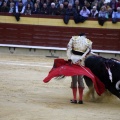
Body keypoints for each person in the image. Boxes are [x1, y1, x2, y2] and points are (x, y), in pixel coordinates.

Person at [67, 33, 92, 104]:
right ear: (85, 36)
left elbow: (69, 48)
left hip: (73, 59)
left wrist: (69, 58)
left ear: (79, 35)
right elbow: (87, 52)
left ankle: (75, 99)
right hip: (82, 61)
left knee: (74, 79)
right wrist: (81, 59)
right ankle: (80, 99)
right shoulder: (88, 42)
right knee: (80, 79)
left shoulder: (73, 38)